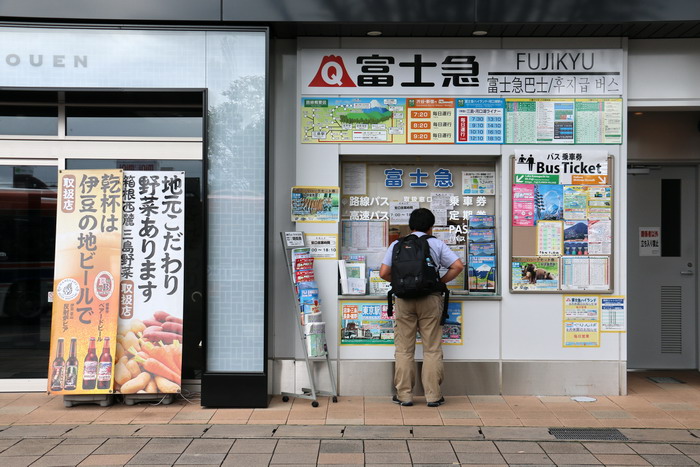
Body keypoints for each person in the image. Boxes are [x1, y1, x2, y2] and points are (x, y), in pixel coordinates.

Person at [379, 208, 464, 407]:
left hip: (404, 301)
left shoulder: (397, 244)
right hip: (430, 299)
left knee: (404, 350)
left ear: (410, 226)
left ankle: (404, 395)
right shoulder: (436, 243)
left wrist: (401, 283)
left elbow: (384, 272)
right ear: (431, 227)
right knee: (432, 349)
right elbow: (458, 266)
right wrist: (440, 282)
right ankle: (433, 396)